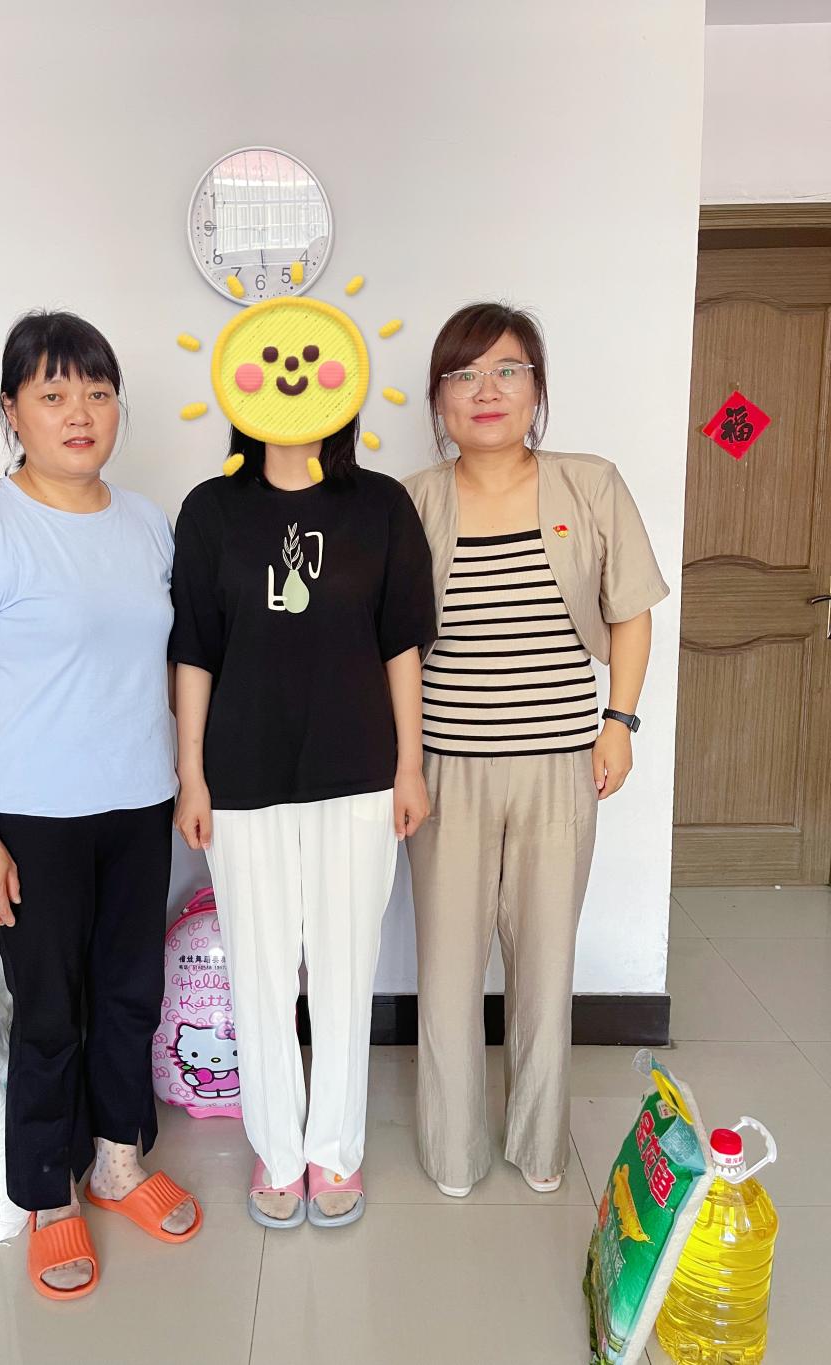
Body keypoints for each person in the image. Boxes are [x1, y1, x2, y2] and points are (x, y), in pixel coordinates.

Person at [0, 310, 200, 1301]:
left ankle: (118, 1160)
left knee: (129, 994)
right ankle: (47, 1194)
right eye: (53, 393)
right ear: (12, 410)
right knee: (49, 1010)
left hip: (139, 804)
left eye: (98, 392)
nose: (80, 413)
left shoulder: (148, 522)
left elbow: (173, 666)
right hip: (32, 819)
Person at [403, 302, 668, 1197]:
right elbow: (386, 643)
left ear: (537, 387)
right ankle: (453, 1150)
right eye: (464, 374)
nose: (487, 391)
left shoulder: (589, 484)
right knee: (447, 972)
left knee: (546, 965)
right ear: (439, 398)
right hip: (445, 768)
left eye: (507, 370)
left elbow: (631, 609)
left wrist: (619, 721)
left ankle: (540, 1144)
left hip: (561, 764)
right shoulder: (414, 500)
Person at [170, 417, 435, 1228]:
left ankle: (335, 1149)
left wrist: (410, 765)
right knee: (260, 968)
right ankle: (279, 1150)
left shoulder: (381, 506)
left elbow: (401, 646)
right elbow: (194, 649)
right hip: (241, 776)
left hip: (358, 775)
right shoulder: (211, 508)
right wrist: (191, 775)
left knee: (345, 966)